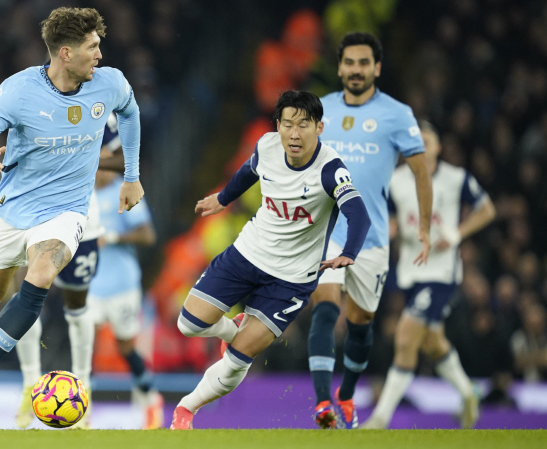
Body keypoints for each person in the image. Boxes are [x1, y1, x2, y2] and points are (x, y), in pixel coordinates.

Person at [0, 7, 144, 430]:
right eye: (92, 47)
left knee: (42, 271)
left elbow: (131, 114)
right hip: (13, 209)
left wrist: (132, 177)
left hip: (66, 211)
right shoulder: (18, 92)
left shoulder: (110, 84)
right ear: (65, 53)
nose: (100, 54)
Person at [169, 90, 371, 430]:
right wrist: (223, 198)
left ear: (319, 128)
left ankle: (185, 410)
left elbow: (359, 215)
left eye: (303, 125)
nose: (294, 133)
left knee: (236, 362)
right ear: (277, 125)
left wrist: (348, 253)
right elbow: (249, 172)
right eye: (287, 124)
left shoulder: (330, 169)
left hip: (291, 279)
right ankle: (231, 329)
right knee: (188, 324)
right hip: (248, 253)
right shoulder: (266, 146)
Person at [307, 32, 432, 430]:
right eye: (349, 62)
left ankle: (345, 396)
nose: (356, 70)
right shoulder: (320, 110)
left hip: (372, 236)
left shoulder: (397, 114)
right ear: (340, 66)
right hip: (328, 230)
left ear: (376, 68)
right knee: (325, 305)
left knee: (361, 322)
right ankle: (324, 404)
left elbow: (420, 172)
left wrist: (424, 227)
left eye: (364, 63)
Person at [362, 121, 495, 429]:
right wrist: (389, 230)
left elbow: (487, 209)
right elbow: (391, 218)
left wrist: (458, 233)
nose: (420, 146)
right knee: (433, 342)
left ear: (438, 147)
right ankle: (467, 393)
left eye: (426, 141)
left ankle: (381, 417)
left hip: (441, 272)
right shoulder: (395, 181)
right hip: (410, 272)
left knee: (406, 335)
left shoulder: (455, 178)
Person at [14, 114, 123, 429]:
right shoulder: (29, 99)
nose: (96, 60)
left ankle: (82, 391)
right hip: (34, 216)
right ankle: (29, 386)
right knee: (26, 302)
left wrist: (88, 161)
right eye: (90, 58)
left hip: (83, 221)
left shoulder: (102, 109)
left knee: (77, 308)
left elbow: (125, 159)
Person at [86, 161, 163, 429]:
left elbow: (148, 235)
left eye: (106, 165)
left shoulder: (125, 190)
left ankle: (151, 400)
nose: (102, 171)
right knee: (85, 344)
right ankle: (82, 411)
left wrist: (113, 237)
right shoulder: (81, 192)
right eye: (98, 165)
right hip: (91, 285)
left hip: (123, 285)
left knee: (126, 347)